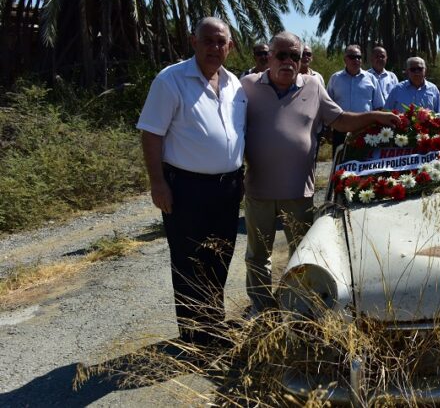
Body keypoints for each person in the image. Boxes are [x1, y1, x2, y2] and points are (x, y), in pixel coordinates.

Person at [241, 32, 400, 312]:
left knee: (302, 254)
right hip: (258, 190)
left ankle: (299, 307)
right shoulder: (248, 86)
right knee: (257, 256)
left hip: (298, 191)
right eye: (282, 55)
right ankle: (262, 309)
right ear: (269, 57)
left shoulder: (313, 86)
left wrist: (374, 116)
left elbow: (339, 120)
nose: (289, 61)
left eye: (295, 56)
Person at [137, 17, 246, 348]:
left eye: (221, 42)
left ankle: (212, 327)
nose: (215, 47)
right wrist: (158, 183)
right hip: (185, 188)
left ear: (230, 46)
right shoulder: (171, 80)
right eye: (208, 40)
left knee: (219, 257)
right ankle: (192, 338)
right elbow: (151, 134)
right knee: (188, 261)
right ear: (193, 42)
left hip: (227, 188)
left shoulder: (235, 85)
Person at [327, 45, 385, 153]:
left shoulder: (371, 78)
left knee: (363, 164)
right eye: (352, 57)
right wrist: (328, 129)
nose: (356, 60)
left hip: (365, 129)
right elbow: (327, 105)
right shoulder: (335, 78)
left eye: (359, 57)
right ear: (345, 59)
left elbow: (379, 106)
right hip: (340, 129)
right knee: (340, 164)